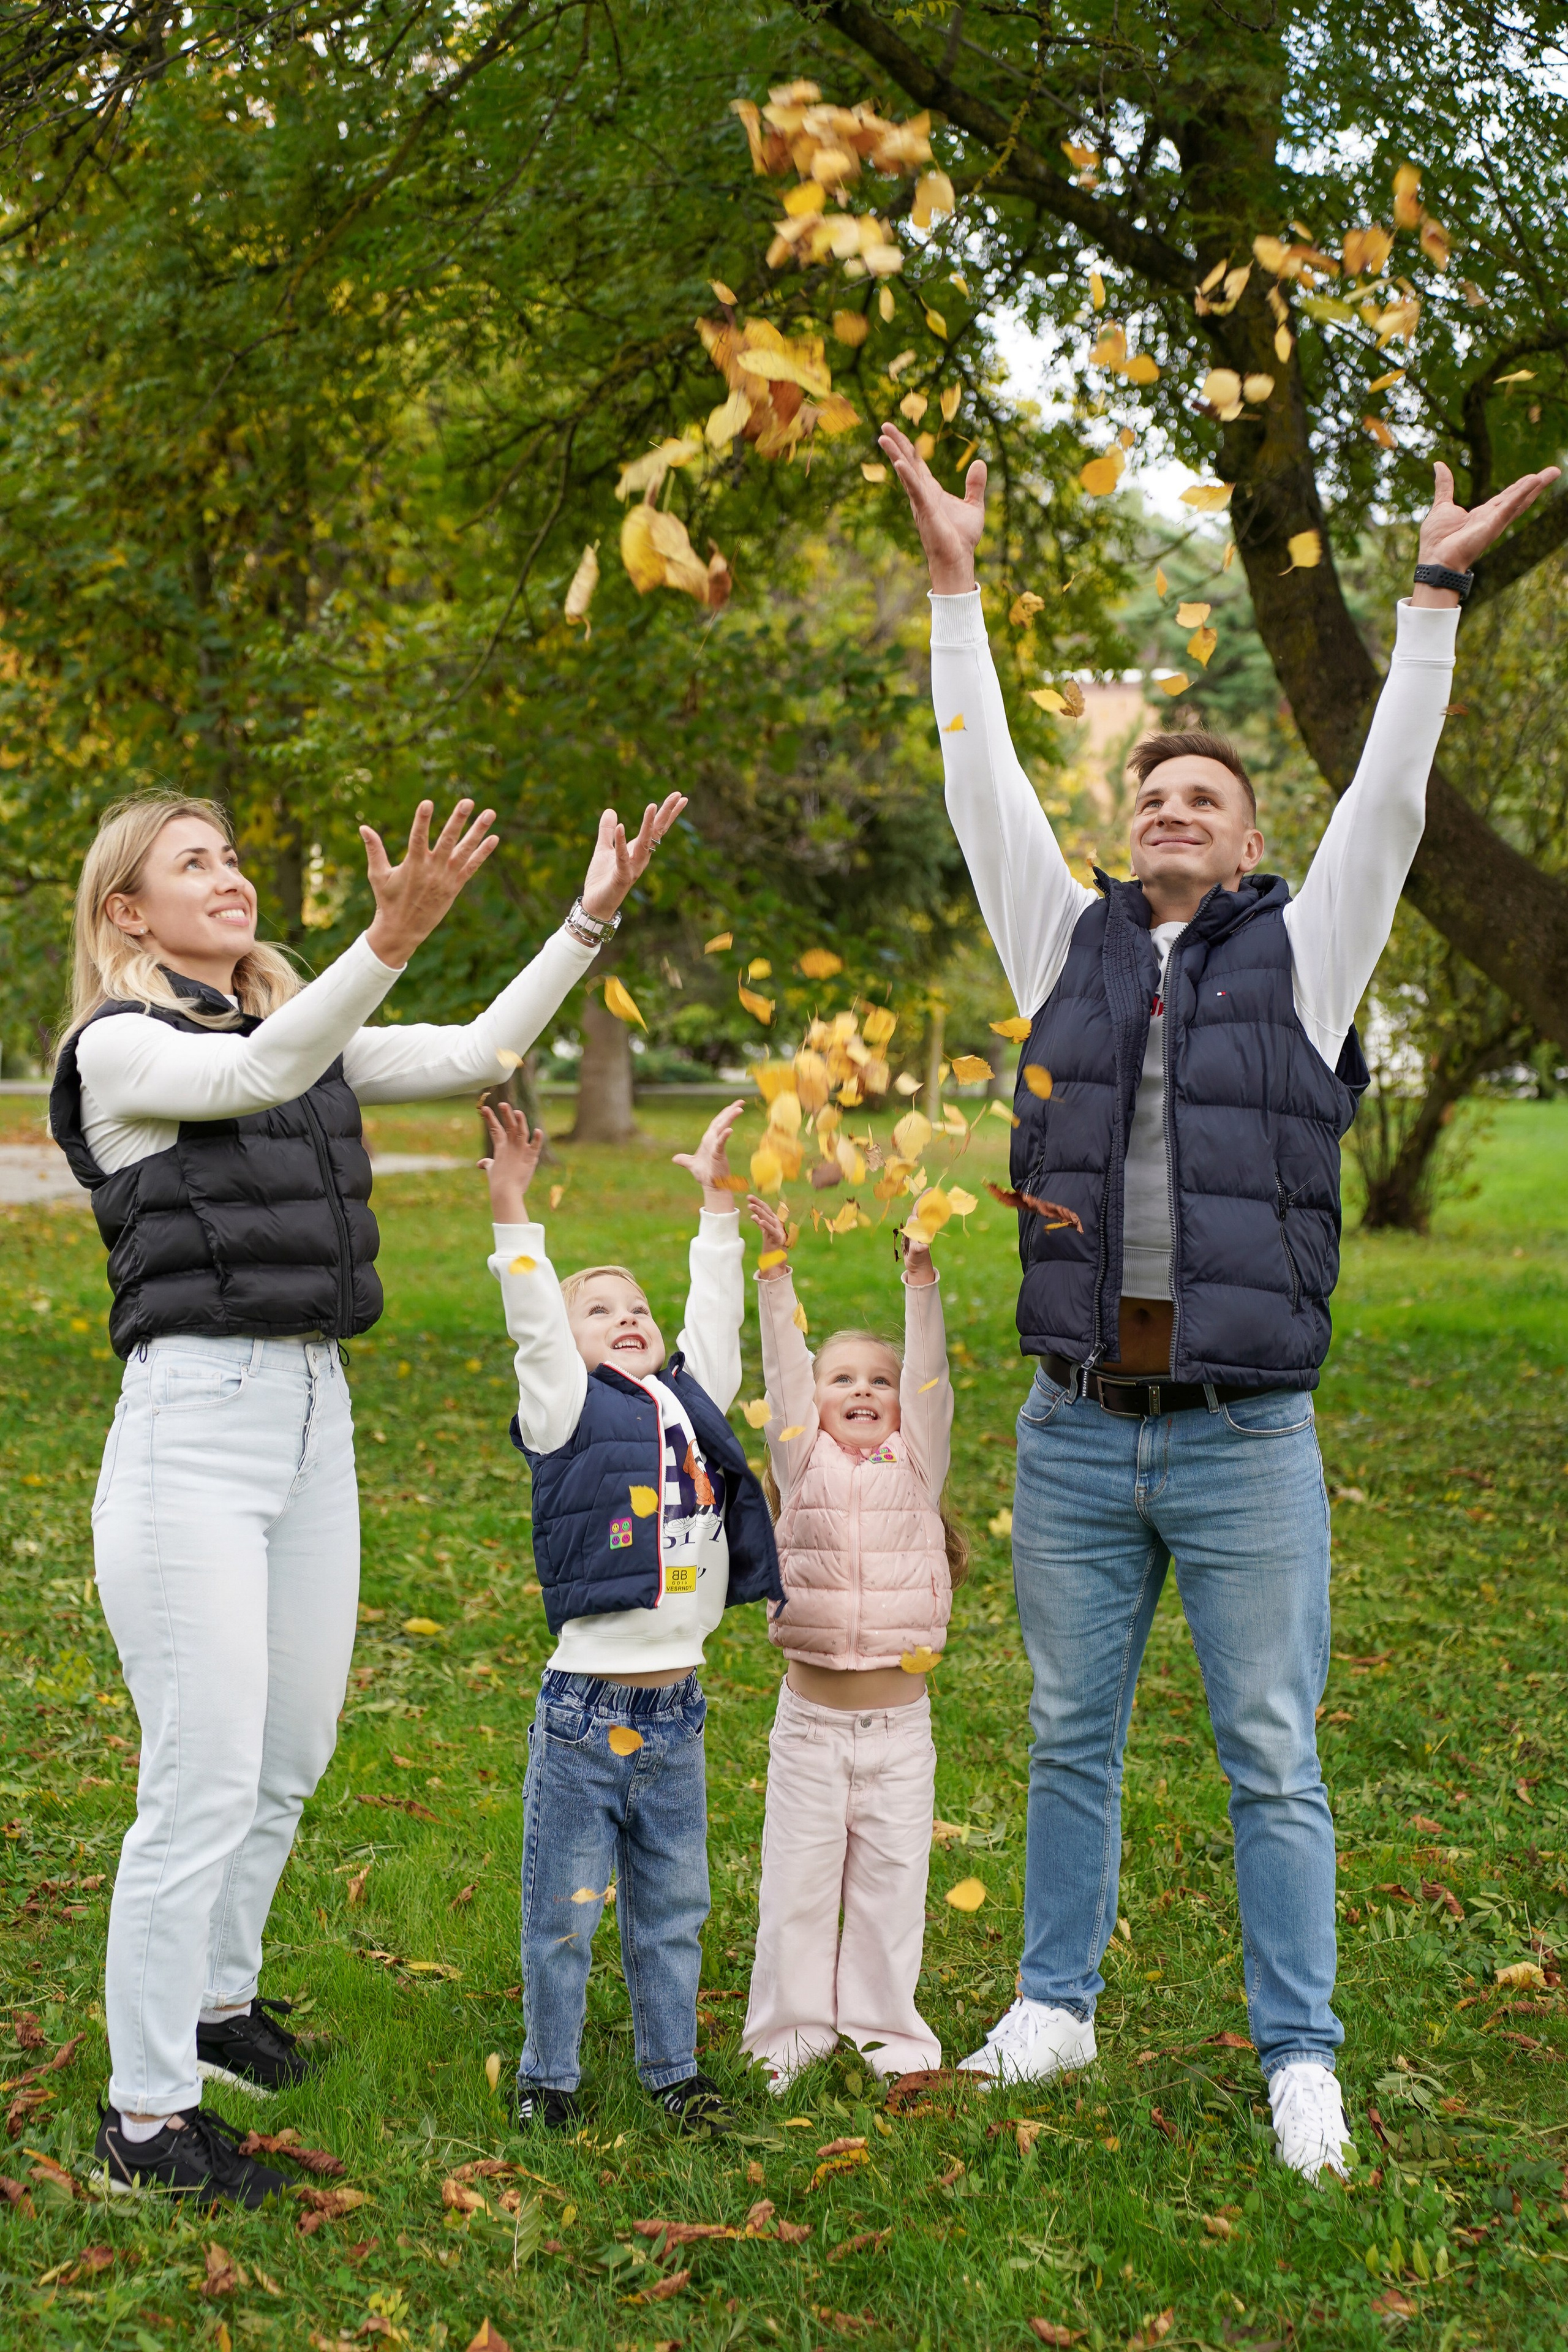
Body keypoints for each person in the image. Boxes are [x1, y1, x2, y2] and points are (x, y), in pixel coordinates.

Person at [878, 419, 1559, 2180]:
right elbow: (981, 794)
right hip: (1082, 1435)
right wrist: (955, 589)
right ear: (1126, 831)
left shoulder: (1312, 953)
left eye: (1206, 800)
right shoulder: (1065, 944)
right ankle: (1054, 2002)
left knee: (1270, 1751)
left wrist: (1429, 597)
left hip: (1250, 1439)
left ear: (1250, 840)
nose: (1171, 811)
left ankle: (1301, 2053)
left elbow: (1396, 796)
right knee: (1067, 1734)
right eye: (1151, 797)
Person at [51, 785, 682, 2204]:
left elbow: (484, 1050)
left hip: (310, 1416)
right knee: (198, 1779)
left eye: (233, 852)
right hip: (190, 1435)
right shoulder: (120, 1052)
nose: (230, 876)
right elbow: (258, 1075)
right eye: (192, 862)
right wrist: (390, 937)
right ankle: (144, 2123)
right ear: (127, 913)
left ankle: (218, 2010)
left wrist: (591, 914)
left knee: (288, 1752)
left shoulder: (302, 1035)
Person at [478, 1097, 783, 2135]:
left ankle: (673, 2072)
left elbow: (715, 1323)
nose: (628, 1316)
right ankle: (548, 2082)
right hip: (584, 1713)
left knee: (674, 1914)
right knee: (564, 1917)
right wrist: (514, 1214)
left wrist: (715, 1209)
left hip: (678, 1716)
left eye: (635, 1304)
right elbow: (535, 1330)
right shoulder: (563, 1408)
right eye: (600, 1309)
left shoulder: (691, 1400)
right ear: (570, 1348)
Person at [739, 1195, 962, 2093]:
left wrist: (921, 1281)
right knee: (795, 1891)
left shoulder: (917, 1462)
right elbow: (785, 1370)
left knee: (890, 1890)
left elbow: (931, 1381)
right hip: (811, 1732)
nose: (863, 1390)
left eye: (879, 1379)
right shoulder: (801, 1463)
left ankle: (885, 2035)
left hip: (900, 1737)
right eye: (843, 1380)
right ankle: (787, 2039)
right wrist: (776, 1266)